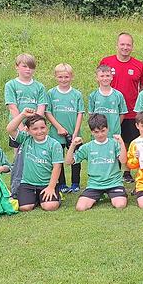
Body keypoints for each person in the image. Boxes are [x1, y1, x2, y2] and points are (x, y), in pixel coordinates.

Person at [99, 32, 143, 182]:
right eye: (122, 44)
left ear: (132, 47)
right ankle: (111, 171)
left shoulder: (139, 65)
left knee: (128, 142)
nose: (125, 47)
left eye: (128, 45)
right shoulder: (106, 62)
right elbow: (101, 82)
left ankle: (126, 172)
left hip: (132, 111)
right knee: (109, 142)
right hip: (111, 113)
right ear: (117, 45)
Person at [4, 53, 47, 197]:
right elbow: (12, 107)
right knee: (19, 158)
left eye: (31, 67)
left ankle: (38, 184)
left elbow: (41, 108)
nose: (28, 70)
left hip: (35, 129)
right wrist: (23, 129)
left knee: (35, 156)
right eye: (24, 66)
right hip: (18, 127)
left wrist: (34, 127)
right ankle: (17, 188)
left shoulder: (39, 86)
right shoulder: (11, 85)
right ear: (17, 67)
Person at [66, 114, 128, 211]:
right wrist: (73, 145)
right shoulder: (87, 147)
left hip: (114, 183)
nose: (100, 134)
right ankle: (98, 195)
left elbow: (123, 161)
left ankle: (109, 194)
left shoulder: (114, 143)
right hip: (94, 184)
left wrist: (121, 143)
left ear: (107, 129)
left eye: (103, 131)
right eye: (96, 132)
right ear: (91, 132)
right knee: (80, 207)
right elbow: (69, 161)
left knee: (120, 205)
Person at [6, 109, 63, 212]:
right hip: (28, 183)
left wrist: (51, 187)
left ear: (47, 128)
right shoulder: (25, 139)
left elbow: (57, 167)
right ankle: (36, 198)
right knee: (25, 207)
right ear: (28, 130)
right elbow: (10, 129)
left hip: (46, 183)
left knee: (50, 207)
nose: (39, 131)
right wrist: (23, 115)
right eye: (35, 129)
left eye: (42, 128)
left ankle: (54, 194)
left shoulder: (54, 144)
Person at [45, 63, 84, 194]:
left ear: (71, 77)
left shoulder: (77, 94)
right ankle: (61, 183)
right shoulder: (51, 93)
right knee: (58, 159)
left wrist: (76, 132)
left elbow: (80, 113)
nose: (63, 80)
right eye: (60, 77)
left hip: (73, 133)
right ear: (56, 77)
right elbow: (48, 112)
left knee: (75, 158)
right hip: (56, 133)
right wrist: (59, 127)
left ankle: (75, 183)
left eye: (66, 77)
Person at [88, 65, 128, 156]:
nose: (105, 78)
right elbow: (91, 115)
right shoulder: (93, 95)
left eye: (107, 76)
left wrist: (115, 125)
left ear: (111, 77)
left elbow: (122, 114)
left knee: (115, 158)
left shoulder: (118, 95)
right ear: (97, 78)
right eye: (102, 76)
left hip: (114, 134)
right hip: (99, 134)